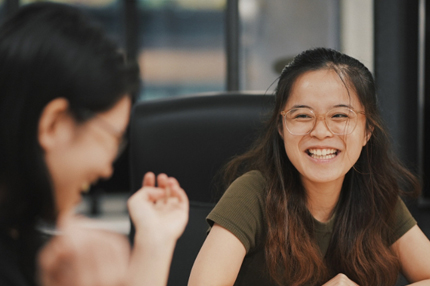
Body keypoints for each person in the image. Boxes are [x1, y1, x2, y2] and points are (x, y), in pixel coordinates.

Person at [188, 48, 430, 286]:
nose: (321, 132)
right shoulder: (252, 193)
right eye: (303, 116)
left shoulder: (376, 196)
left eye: (340, 116)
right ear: (281, 128)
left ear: (368, 131)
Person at [0, 3, 188, 286]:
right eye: (112, 138)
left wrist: (155, 241)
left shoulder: (21, 241)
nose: (106, 169)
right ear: (53, 124)